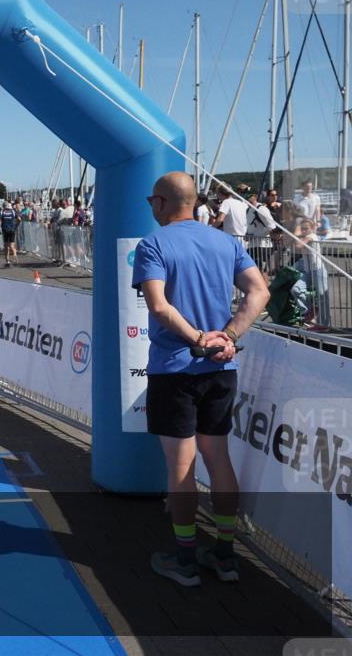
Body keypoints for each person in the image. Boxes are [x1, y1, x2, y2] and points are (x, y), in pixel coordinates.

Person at [133, 172, 269, 588]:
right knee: (218, 459)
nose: (150, 207)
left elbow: (159, 306)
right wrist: (227, 336)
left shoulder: (154, 244)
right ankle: (225, 555)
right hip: (220, 369)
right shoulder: (225, 242)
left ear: (161, 202)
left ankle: (186, 558)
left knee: (181, 467)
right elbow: (259, 292)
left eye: (151, 201)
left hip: (177, 369)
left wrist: (199, 340)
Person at [0, 200, 18, 267]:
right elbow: (19, 219)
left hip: (5, 230)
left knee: (6, 246)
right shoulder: (13, 211)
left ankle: (7, 262)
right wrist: (16, 226)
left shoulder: (2, 212)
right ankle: (15, 256)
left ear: (3, 206)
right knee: (12, 245)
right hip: (12, 230)